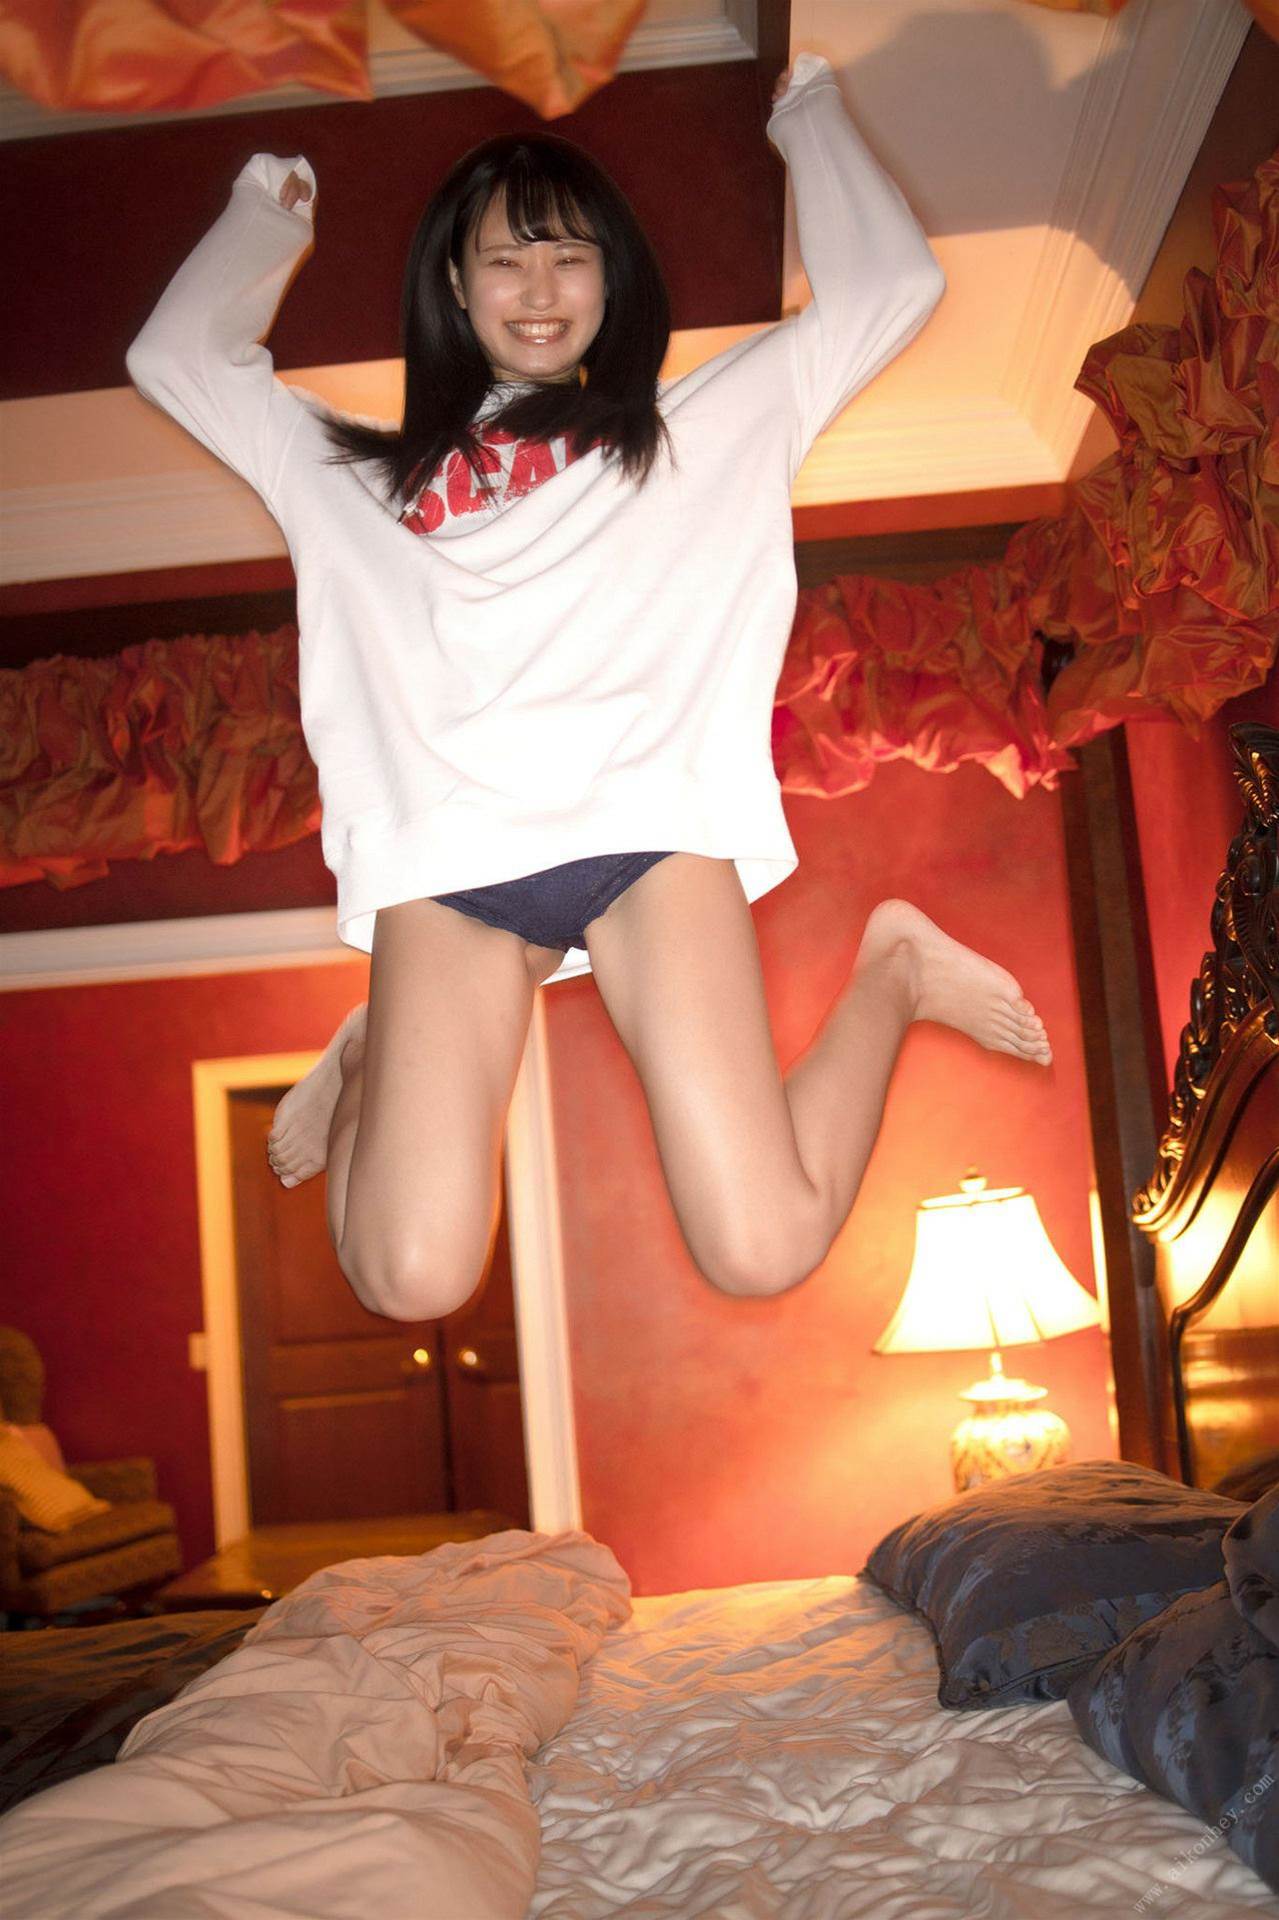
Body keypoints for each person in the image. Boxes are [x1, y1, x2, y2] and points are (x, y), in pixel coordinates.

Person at [128, 53, 1051, 1321]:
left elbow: (892, 286)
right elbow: (176, 357)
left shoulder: (702, 425)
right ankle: (372, 1053)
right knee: (406, 1277)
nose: (539, 288)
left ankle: (893, 968)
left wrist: (809, 111)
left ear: (612, 280)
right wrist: (264, 215)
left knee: (763, 1246)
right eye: (505, 258)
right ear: (456, 285)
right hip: (449, 872)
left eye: (570, 256)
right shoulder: (347, 477)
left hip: (647, 839)